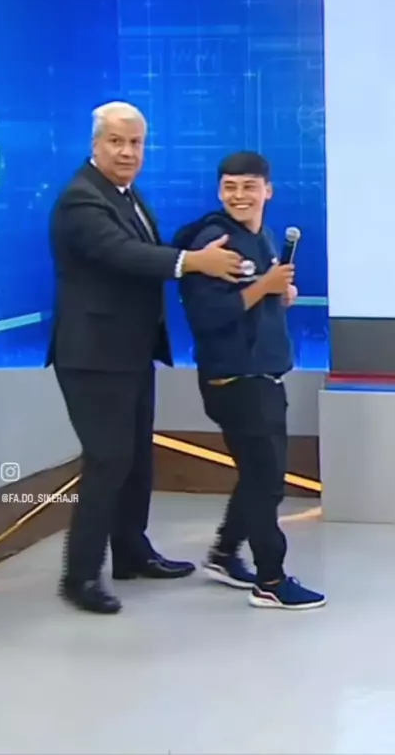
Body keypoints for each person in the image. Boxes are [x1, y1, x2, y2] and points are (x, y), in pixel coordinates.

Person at [46, 102, 244, 614]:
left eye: (136, 143)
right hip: (93, 356)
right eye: (116, 141)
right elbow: (124, 254)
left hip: (130, 352)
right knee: (108, 460)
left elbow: (147, 247)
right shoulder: (81, 200)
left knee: (134, 458)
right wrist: (193, 261)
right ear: (95, 144)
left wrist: (203, 247)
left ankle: (132, 553)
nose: (127, 152)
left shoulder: (127, 195)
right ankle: (80, 577)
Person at [172, 151, 326, 610]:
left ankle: (223, 554)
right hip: (236, 379)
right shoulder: (215, 242)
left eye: (249, 186)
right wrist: (265, 287)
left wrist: (280, 293)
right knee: (265, 481)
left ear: (267, 191)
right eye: (230, 187)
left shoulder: (262, 237)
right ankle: (271, 580)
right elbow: (208, 315)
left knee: (260, 475)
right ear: (219, 191)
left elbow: (253, 296)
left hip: (262, 374)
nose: (239, 196)